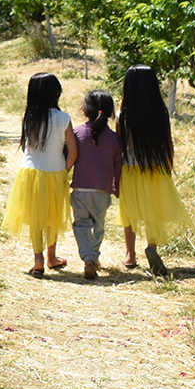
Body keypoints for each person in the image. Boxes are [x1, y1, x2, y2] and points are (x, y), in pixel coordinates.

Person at [115, 64, 191, 277]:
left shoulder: (122, 115)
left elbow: (119, 146)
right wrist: (169, 166)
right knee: (152, 211)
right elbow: (168, 142)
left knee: (129, 212)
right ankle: (152, 248)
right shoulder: (160, 112)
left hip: (129, 168)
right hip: (156, 168)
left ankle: (130, 254)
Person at [1, 72, 78, 277]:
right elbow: (74, 151)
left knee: (35, 217)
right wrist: (65, 170)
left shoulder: (28, 117)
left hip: (30, 173)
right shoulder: (64, 118)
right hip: (55, 172)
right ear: (56, 93)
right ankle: (52, 257)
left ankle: (38, 259)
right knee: (52, 215)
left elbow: (27, 146)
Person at [69, 89, 123, 280]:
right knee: (98, 227)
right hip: (102, 191)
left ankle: (88, 259)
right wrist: (117, 188)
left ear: (84, 110)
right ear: (110, 113)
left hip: (80, 189)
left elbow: (68, 157)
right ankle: (94, 256)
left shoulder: (76, 133)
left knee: (82, 225)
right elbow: (118, 167)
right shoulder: (115, 139)